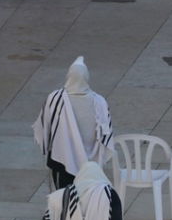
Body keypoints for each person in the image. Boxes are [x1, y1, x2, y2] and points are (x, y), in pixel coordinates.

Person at [32, 56, 112, 190]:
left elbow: (45, 127)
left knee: (63, 199)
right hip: (91, 164)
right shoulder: (100, 102)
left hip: (61, 160)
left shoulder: (55, 98)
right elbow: (105, 135)